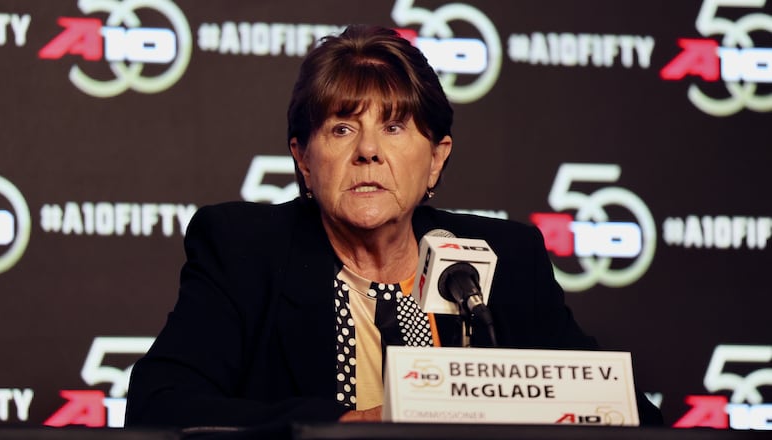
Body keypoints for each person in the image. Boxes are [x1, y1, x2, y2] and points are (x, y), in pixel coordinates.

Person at [125, 25, 662, 432]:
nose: (367, 151)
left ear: (435, 158)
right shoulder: (245, 249)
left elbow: (620, 409)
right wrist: (348, 428)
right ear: (304, 160)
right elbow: (160, 404)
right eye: (341, 128)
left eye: (394, 126)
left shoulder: (506, 257)